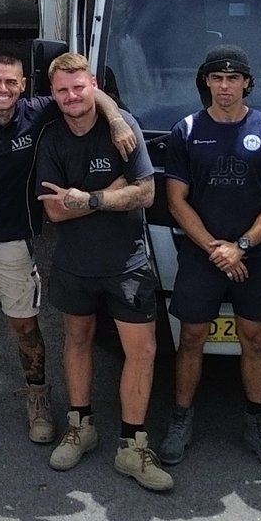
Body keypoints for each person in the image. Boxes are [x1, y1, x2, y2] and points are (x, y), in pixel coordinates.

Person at [0, 48, 137, 447]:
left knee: (24, 325)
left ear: (23, 86)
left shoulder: (38, 112)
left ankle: (38, 400)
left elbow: (90, 91)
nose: (3, 89)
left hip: (17, 241)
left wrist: (118, 121)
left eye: (11, 82)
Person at [33, 52, 172, 493]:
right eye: (62, 90)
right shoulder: (52, 137)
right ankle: (81, 426)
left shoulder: (122, 127)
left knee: (143, 351)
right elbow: (54, 212)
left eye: (79, 87)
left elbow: (147, 193)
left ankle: (133, 445)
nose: (72, 97)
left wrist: (92, 200)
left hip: (127, 265)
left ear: (93, 84)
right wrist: (111, 190)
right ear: (53, 95)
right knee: (77, 340)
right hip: (75, 266)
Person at [159, 45, 261, 472]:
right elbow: (176, 200)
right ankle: (181, 421)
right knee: (192, 339)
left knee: (254, 340)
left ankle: (257, 425)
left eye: (233, 79)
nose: (224, 86)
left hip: (252, 256)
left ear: (246, 83)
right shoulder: (186, 130)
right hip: (202, 257)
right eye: (217, 78)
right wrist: (217, 250)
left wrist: (241, 246)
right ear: (205, 82)